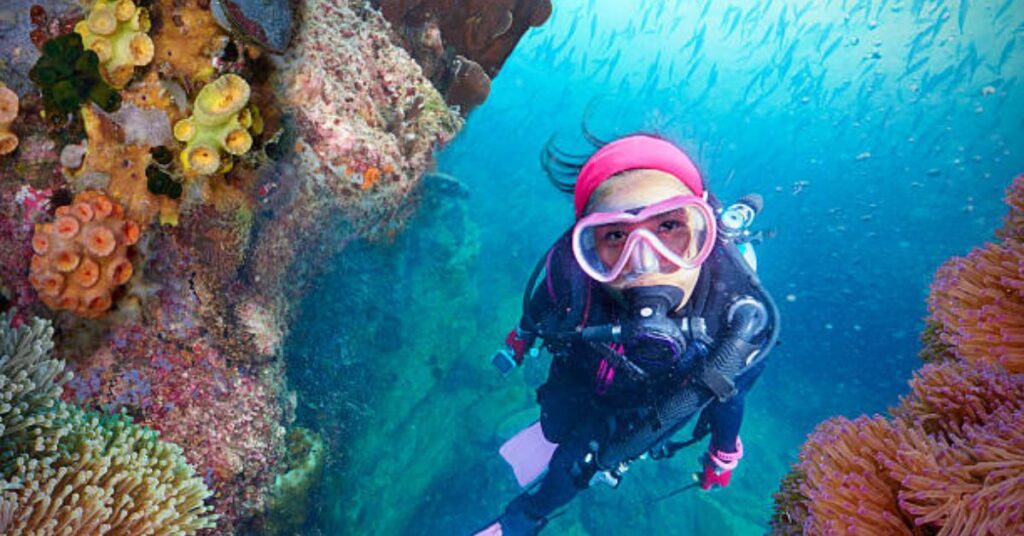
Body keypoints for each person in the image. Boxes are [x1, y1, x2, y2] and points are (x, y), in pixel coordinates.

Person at [477, 133, 780, 536]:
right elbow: (538, 307)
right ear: (587, 245)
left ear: (704, 233)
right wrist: (521, 339)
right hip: (578, 374)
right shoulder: (571, 272)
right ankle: (546, 441)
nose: (645, 261)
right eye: (616, 235)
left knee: (579, 464)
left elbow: (729, 393)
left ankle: (520, 521)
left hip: (640, 412)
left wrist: (722, 452)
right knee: (553, 420)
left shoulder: (735, 314)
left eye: (670, 225)